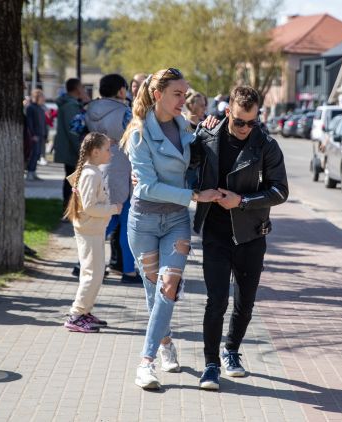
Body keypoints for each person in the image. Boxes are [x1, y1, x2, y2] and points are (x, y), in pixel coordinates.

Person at [120, 68, 221, 390]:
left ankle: (144, 363)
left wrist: (206, 133)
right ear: (158, 94)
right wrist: (194, 196)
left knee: (168, 288)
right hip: (144, 222)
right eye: (178, 94)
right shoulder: (138, 133)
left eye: (185, 93)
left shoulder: (184, 127)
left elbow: (196, 161)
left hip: (177, 220)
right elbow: (146, 187)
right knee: (154, 293)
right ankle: (166, 345)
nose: (185, 100)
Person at [192, 86, 289, 390]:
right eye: (239, 122)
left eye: (252, 122)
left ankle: (231, 350)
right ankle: (210, 365)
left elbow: (280, 191)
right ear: (227, 112)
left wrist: (243, 201)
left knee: (245, 302)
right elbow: (185, 167)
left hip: (251, 234)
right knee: (216, 300)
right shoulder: (206, 136)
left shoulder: (266, 145)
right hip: (215, 232)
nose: (246, 128)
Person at [63, 133, 122, 332]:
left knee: (95, 273)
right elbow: (89, 207)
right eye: (107, 149)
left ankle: (85, 311)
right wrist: (114, 208)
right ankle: (76, 314)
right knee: (92, 274)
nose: (111, 154)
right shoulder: (91, 174)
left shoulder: (92, 171)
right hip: (89, 231)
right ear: (95, 152)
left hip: (93, 230)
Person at [85, 74, 140, 283]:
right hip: (121, 165)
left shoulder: (89, 109)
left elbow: (76, 130)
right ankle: (128, 270)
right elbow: (136, 138)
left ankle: (83, 263)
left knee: (107, 219)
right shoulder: (125, 112)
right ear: (120, 90)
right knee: (123, 220)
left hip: (98, 163)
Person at [54, 78, 88, 213]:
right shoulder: (70, 106)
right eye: (82, 87)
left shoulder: (72, 103)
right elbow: (74, 130)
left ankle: (70, 209)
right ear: (77, 88)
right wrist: (81, 150)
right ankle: (68, 210)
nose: (84, 90)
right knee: (72, 181)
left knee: (72, 179)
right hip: (72, 150)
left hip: (70, 149)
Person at [25, 89, 48, 181]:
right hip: (35, 136)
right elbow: (29, 123)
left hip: (41, 135)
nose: (43, 98)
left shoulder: (40, 108)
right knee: (34, 154)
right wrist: (33, 134)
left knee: (38, 154)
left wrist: (45, 134)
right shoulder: (31, 108)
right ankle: (30, 173)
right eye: (42, 96)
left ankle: (33, 172)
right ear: (37, 97)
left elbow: (44, 123)